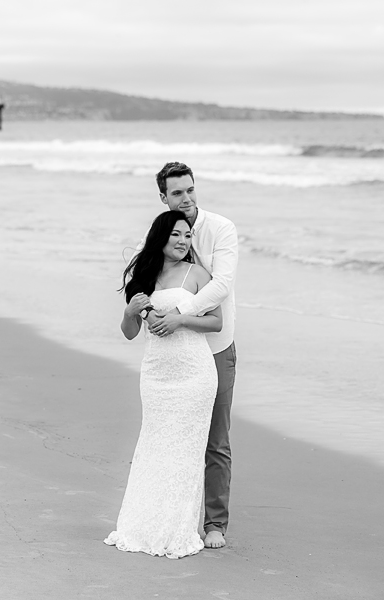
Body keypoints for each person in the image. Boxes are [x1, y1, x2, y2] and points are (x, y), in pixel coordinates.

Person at [104, 210, 222, 559]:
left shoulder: (198, 274)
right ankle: (144, 524)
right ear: (160, 236)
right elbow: (130, 332)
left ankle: (177, 528)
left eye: (187, 235)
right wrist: (130, 312)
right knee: (154, 444)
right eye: (176, 234)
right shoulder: (144, 276)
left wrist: (179, 320)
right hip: (156, 373)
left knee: (185, 450)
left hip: (194, 372)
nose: (183, 241)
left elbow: (215, 322)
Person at [143, 161, 238, 549]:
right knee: (171, 438)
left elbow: (222, 284)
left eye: (190, 190)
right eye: (177, 193)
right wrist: (147, 313)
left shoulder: (221, 229)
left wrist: (180, 314)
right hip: (174, 356)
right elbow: (146, 277)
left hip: (215, 348)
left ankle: (215, 524)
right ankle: (167, 516)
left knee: (215, 440)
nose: (186, 199)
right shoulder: (163, 231)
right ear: (163, 197)